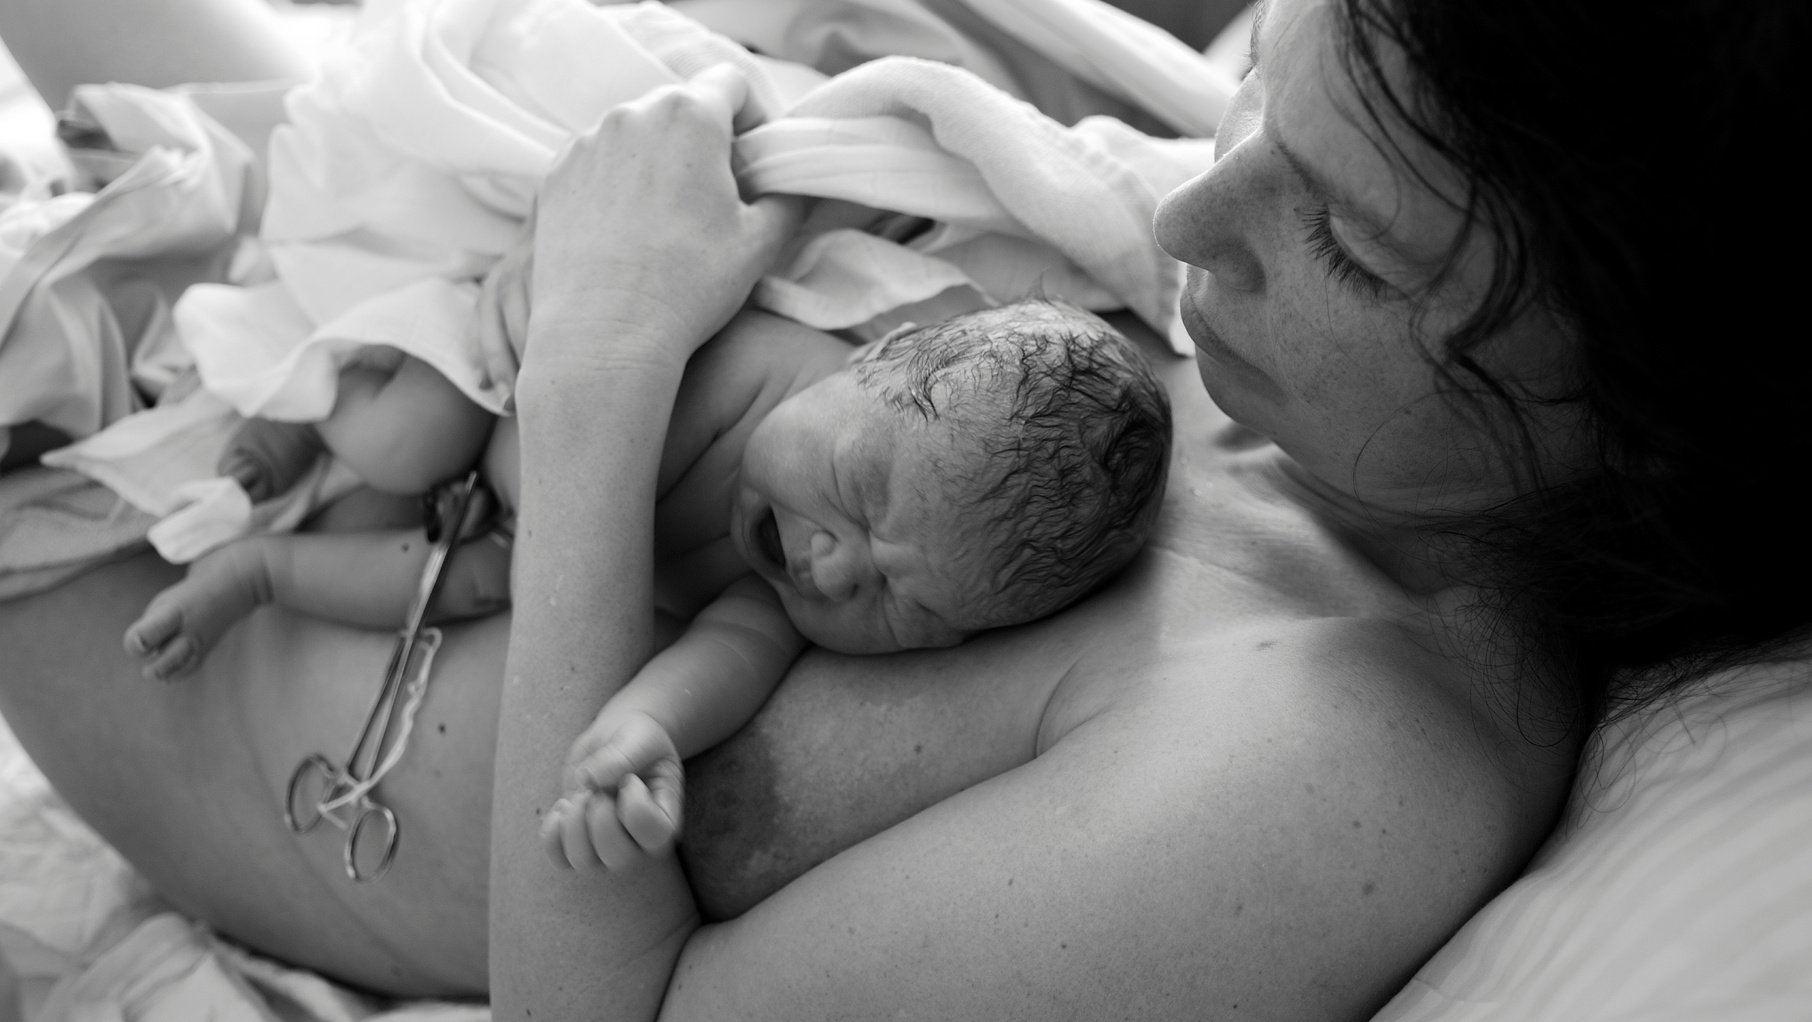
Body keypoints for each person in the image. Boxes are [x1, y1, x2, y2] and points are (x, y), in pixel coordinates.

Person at [0, 0, 1804, 1016]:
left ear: (1642, 413)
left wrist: (604, 369)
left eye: (1336, 231)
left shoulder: (1319, 764)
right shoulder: (1285, 325)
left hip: (100, 533)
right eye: (1265, 94)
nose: (1184, 216)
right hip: (369, 308)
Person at [117, 298, 1171, 876]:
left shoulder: (789, 603)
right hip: (491, 401)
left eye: (909, 603)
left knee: (467, 588)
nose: (831, 563)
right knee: (405, 439)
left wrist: (638, 733)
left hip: (503, 536)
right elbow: (590, 353)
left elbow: (721, 661)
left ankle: (254, 571)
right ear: (876, 353)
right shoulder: (764, 363)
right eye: (855, 489)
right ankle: (295, 402)